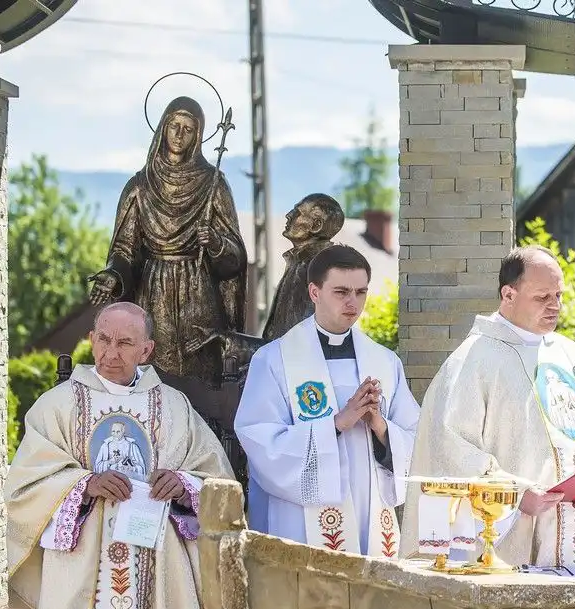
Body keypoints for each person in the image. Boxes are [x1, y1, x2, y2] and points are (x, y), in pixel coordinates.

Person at [4, 302, 236, 609]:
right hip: (82, 562)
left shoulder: (175, 407)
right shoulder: (58, 405)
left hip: (159, 561)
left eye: (126, 343)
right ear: (91, 340)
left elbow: (218, 480)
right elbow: (25, 485)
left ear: (147, 350)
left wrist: (184, 485)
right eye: (104, 340)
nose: (112, 353)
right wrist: (84, 484)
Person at [401, 245, 575, 569]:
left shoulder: (574, 358)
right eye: (542, 297)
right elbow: (451, 449)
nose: (555, 306)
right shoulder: (474, 361)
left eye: (558, 296)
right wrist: (512, 498)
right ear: (508, 294)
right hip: (514, 543)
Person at [235, 244, 419, 558]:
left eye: (361, 292)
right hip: (302, 520)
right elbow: (259, 439)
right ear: (314, 292)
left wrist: (380, 427)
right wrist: (335, 424)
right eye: (341, 291)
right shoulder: (274, 360)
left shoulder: (385, 362)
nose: (353, 302)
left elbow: (415, 438)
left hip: (369, 511)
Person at [88, 95, 248, 383]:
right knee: (154, 375)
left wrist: (215, 243)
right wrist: (115, 274)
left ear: (197, 136)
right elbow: (125, 247)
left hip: (198, 291)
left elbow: (235, 259)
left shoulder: (213, 184)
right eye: (174, 125)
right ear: (162, 127)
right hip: (153, 289)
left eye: (188, 129)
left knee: (200, 378)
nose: (179, 134)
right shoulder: (139, 185)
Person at [262, 193, 346, 341]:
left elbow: (294, 341)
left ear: (316, 225)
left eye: (297, 212)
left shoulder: (313, 268)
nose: (288, 215)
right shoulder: (300, 262)